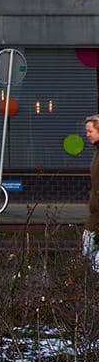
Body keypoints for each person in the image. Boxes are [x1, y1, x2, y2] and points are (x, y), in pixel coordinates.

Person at [84, 115, 99, 270]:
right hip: (95, 213)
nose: (87, 134)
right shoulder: (96, 152)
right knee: (88, 249)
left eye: (90, 131)